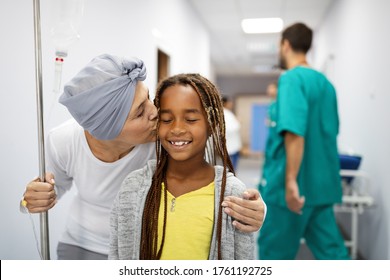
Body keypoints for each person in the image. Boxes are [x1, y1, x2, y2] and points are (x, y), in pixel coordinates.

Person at [21, 54, 265, 260]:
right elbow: (52, 190)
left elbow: (214, 184)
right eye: (140, 113)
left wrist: (255, 208)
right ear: (109, 129)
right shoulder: (63, 141)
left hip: (143, 249)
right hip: (83, 247)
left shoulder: (168, 140)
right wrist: (31, 200)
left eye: (147, 98)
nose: (155, 113)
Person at [109, 73, 255, 260]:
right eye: (167, 119)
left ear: (211, 125)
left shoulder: (232, 194)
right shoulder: (133, 187)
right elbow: (116, 255)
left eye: (191, 120)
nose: (177, 129)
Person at [257, 23, 350, 260]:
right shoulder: (326, 85)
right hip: (321, 187)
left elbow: (294, 132)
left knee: (274, 254)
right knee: (333, 253)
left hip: (290, 189)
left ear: (285, 45)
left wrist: (290, 181)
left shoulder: (290, 79)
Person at [222, 96, 242, 171]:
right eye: (229, 102)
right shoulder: (225, 114)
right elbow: (230, 128)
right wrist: (238, 123)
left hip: (232, 143)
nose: (231, 104)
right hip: (230, 143)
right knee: (230, 164)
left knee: (232, 163)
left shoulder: (228, 113)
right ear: (225, 103)